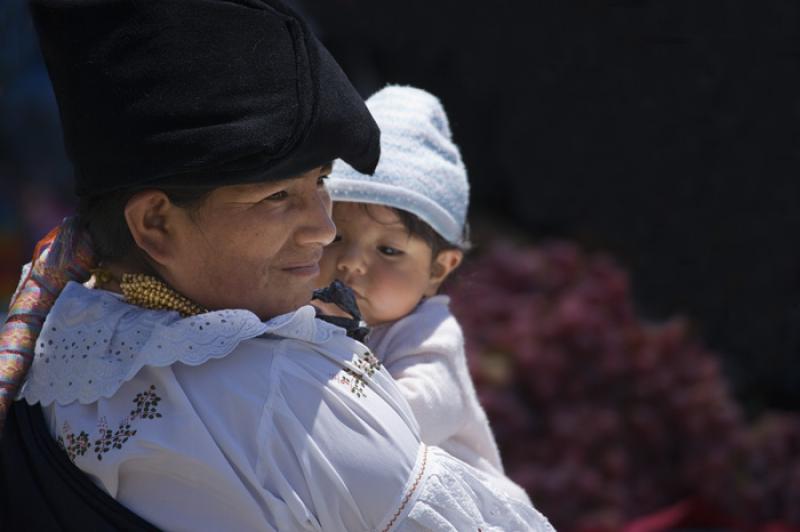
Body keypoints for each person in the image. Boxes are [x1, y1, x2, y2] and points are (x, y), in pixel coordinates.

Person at [0, 1, 555, 531]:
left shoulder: (59, 337)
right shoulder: (286, 396)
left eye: (320, 182)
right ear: (156, 224)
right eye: (276, 197)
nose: (325, 227)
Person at [318, 85, 529, 502]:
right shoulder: (307, 311)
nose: (351, 263)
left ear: (439, 269)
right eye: (337, 236)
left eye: (389, 250)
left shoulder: (428, 336)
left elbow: (416, 414)